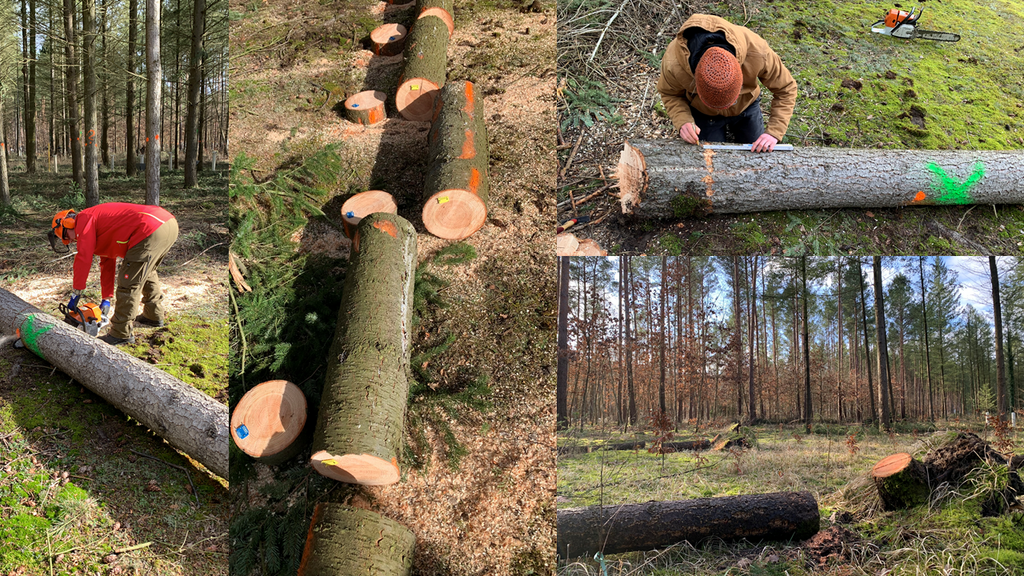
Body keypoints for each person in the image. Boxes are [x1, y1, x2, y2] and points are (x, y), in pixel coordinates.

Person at [657, 14, 798, 153]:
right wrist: (683, 120)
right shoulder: (673, 63)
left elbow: (786, 88)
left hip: (746, 106)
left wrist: (774, 132)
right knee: (710, 161)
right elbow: (670, 93)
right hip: (704, 113)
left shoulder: (757, 51)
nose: (730, 105)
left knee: (757, 157)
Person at [49, 203, 178, 345]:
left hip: (150, 227)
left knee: (128, 282)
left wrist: (76, 292)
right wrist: (107, 298)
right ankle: (153, 314)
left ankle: (121, 333)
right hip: (167, 223)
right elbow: (107, 263)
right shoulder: (98, 225)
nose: (72, 241)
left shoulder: (84, 219)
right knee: (146, 270)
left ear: (68, 223)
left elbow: (83, 257)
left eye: (67, 236)